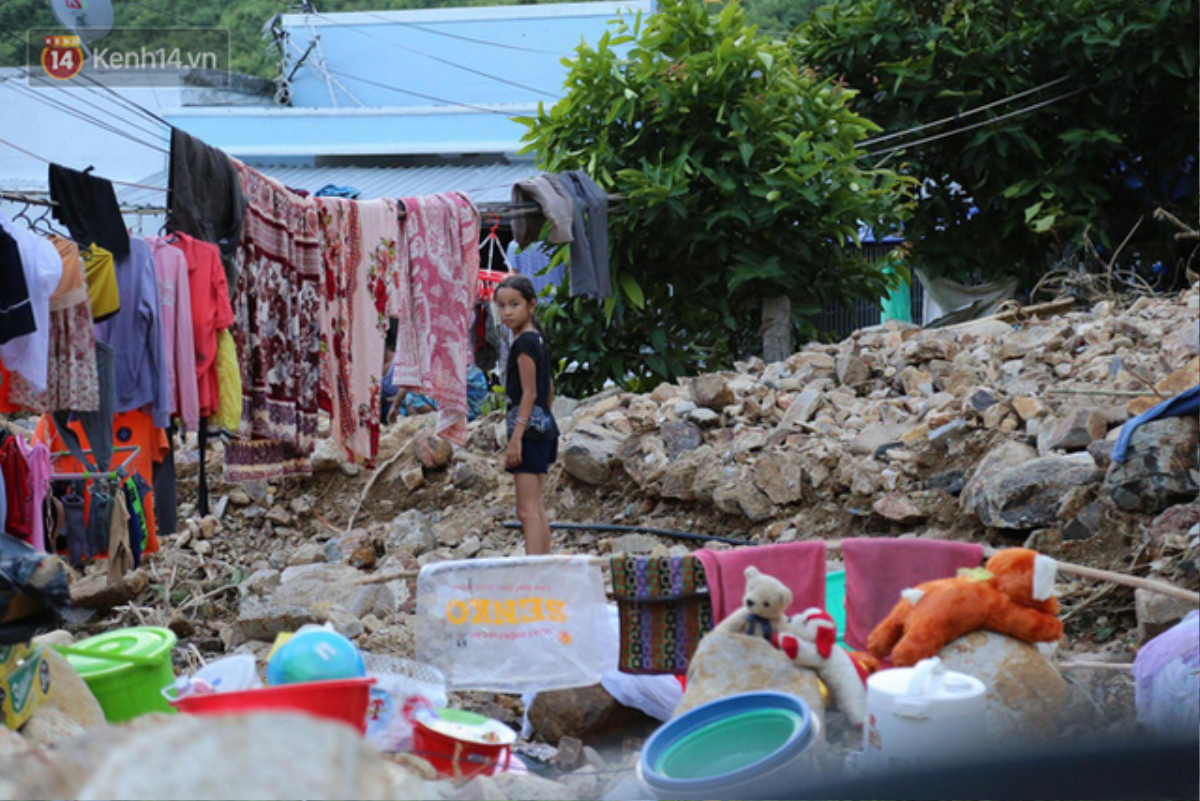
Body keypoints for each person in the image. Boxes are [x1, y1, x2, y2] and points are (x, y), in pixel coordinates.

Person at [494, 274, 558, 556]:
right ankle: (543, 567)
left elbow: (529, 393)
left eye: (514, 304)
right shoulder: (537, 340)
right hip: (543, 428)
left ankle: (535, 575)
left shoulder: (523, 344)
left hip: (528, 432)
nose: (507, 312)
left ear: (531, 305)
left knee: (526, 510)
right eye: (502, 305)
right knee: (536, 506)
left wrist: (517, 437)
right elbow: (549, 390)